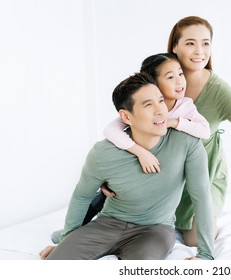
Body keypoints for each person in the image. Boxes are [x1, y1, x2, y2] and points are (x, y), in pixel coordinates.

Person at [40, 72, 214, 260]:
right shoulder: (103, 153)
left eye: (161, 101)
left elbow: (201, 196)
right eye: (148, 105)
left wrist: (206, 255)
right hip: (107, 224)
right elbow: (82, 195)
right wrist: (67, 240)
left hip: (155, 231)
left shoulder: (187, 143)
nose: (160, 110)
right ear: (126, 116)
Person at [167, 16, 231, 246]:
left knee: (196, 241)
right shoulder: (160, 81)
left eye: (206, 43)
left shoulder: (218, 89)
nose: (199, 50)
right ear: (175, 46)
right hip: (167, 177)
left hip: (204, 177)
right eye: (190, 43)